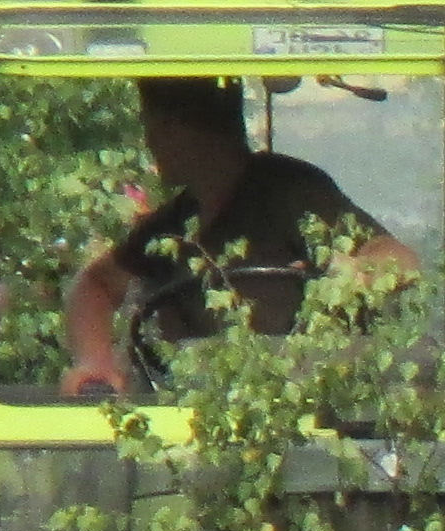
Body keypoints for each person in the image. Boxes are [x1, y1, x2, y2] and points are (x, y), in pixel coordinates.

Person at [59, 77, 415, 397]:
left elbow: (397, 259)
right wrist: (95, 362)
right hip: (195, 417)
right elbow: (96, 285)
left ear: (183, 128)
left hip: (303, 415)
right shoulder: (175, 223)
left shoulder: (290, 191)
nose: (150, 140)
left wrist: (355, 270)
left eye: (155, 125)